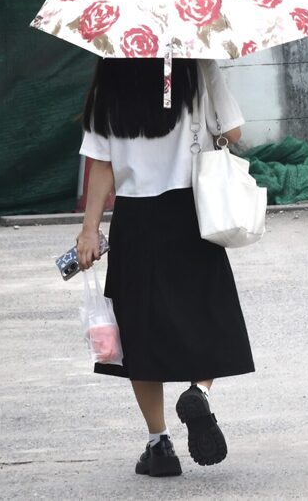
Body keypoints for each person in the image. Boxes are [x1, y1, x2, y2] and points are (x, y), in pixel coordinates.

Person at [76, 58, 254, 477]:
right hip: (192, 210)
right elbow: (233, 132)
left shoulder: (110, 77)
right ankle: (199, 393)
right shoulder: (197, 64)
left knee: (140, 333)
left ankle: (159, 445)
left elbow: (100, 163)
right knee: (211, 317)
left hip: (135, 220)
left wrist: (88, 230)